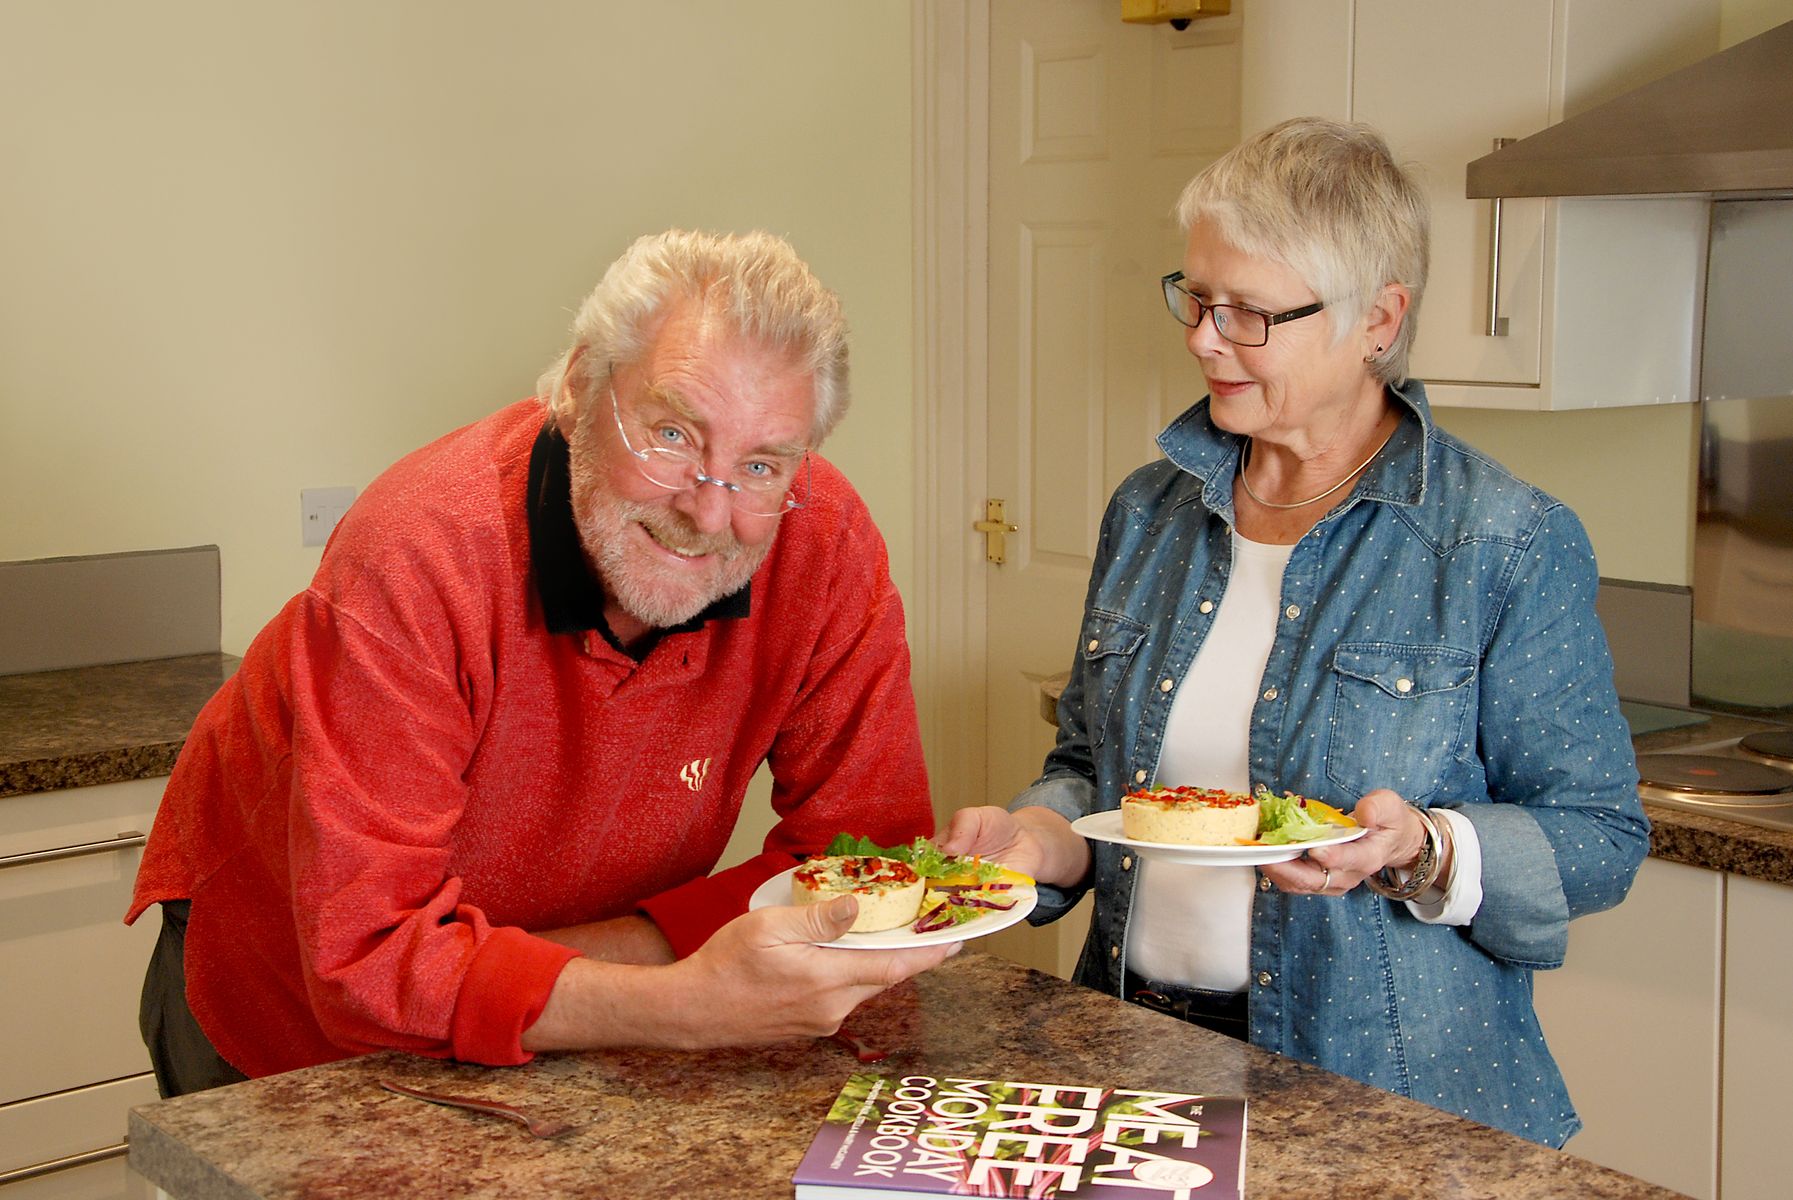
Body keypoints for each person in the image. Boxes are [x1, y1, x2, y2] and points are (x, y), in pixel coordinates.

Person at [938, 119, 1646, 1148]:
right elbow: (1093, 772)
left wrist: (1425, 848)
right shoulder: (1149, 512)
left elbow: (1600, 838)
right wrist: (1036, 842)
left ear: (1377, 318)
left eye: (1248, 313)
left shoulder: (1502, 541)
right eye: (1194, 297)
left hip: (1385, 1099)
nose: (1200, 338)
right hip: (1132, 1065)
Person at [129, 229, 955, 1097]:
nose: (710, 515)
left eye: (759, 463)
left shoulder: (822, 542)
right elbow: (363, 964)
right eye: (671, 433)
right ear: (576, 386)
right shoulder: (417, 551)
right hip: (297, 1009)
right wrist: (683, 1002)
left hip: (579, 1010)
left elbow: (866, 860)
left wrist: (605, 967)